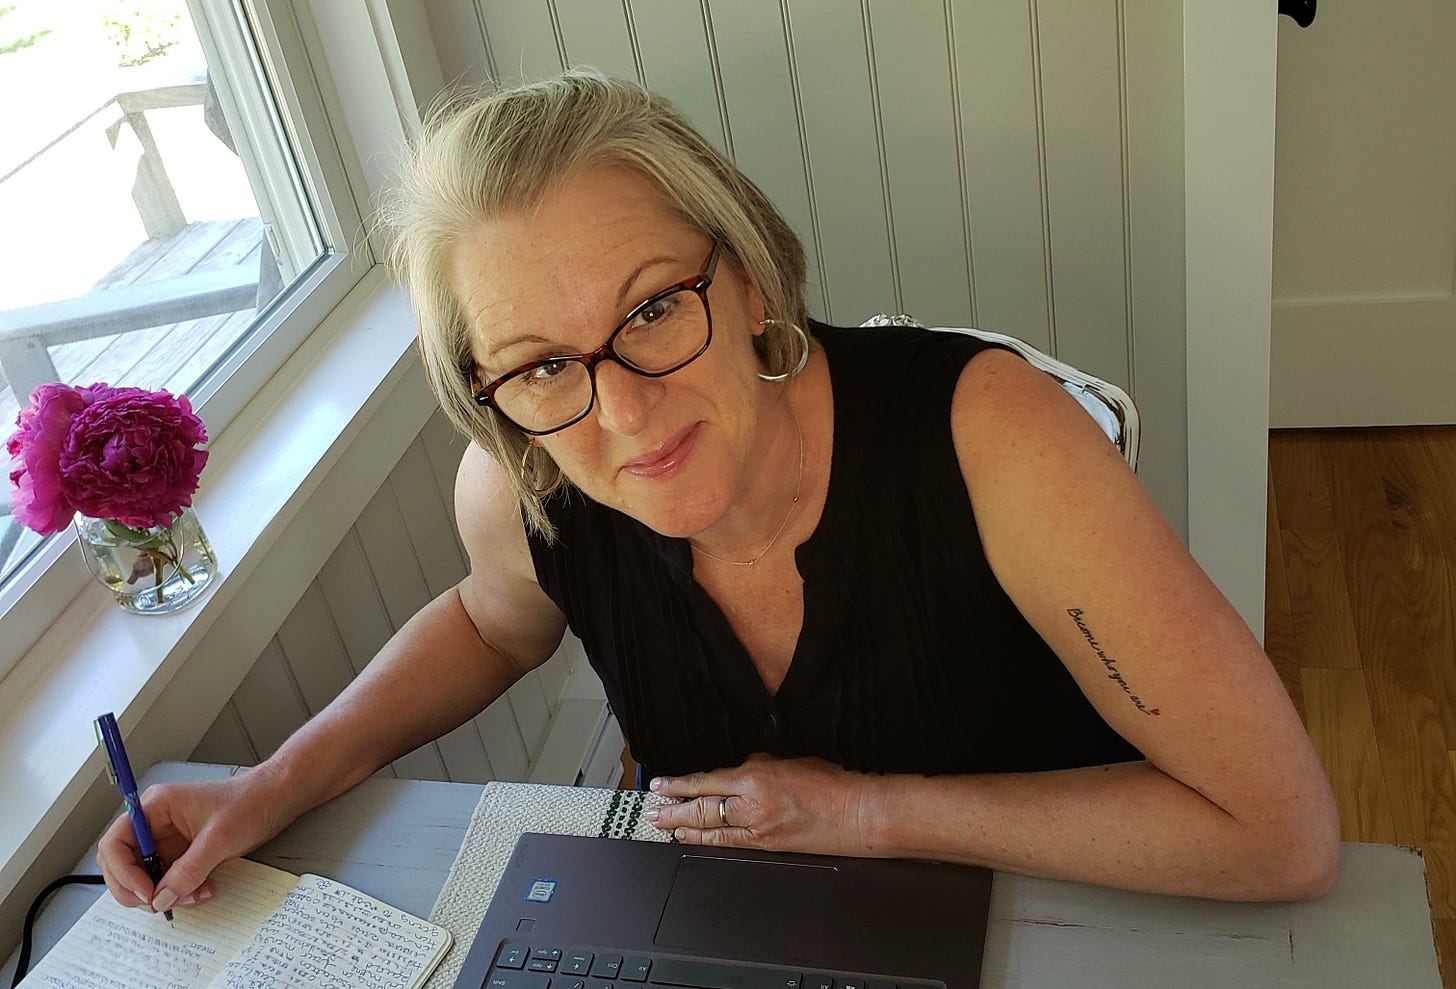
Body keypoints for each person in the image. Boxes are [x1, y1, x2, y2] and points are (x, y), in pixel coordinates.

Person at [96, 68, 1339, 916]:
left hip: (1052, 914)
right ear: (492, 389)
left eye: (650, 308)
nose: (624, 412)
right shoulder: (527, 483)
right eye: (538, 366)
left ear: (747, 277)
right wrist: (271, 784)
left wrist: (867, 815)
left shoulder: (992, 438)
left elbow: (1277, 830)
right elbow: (489, 620)